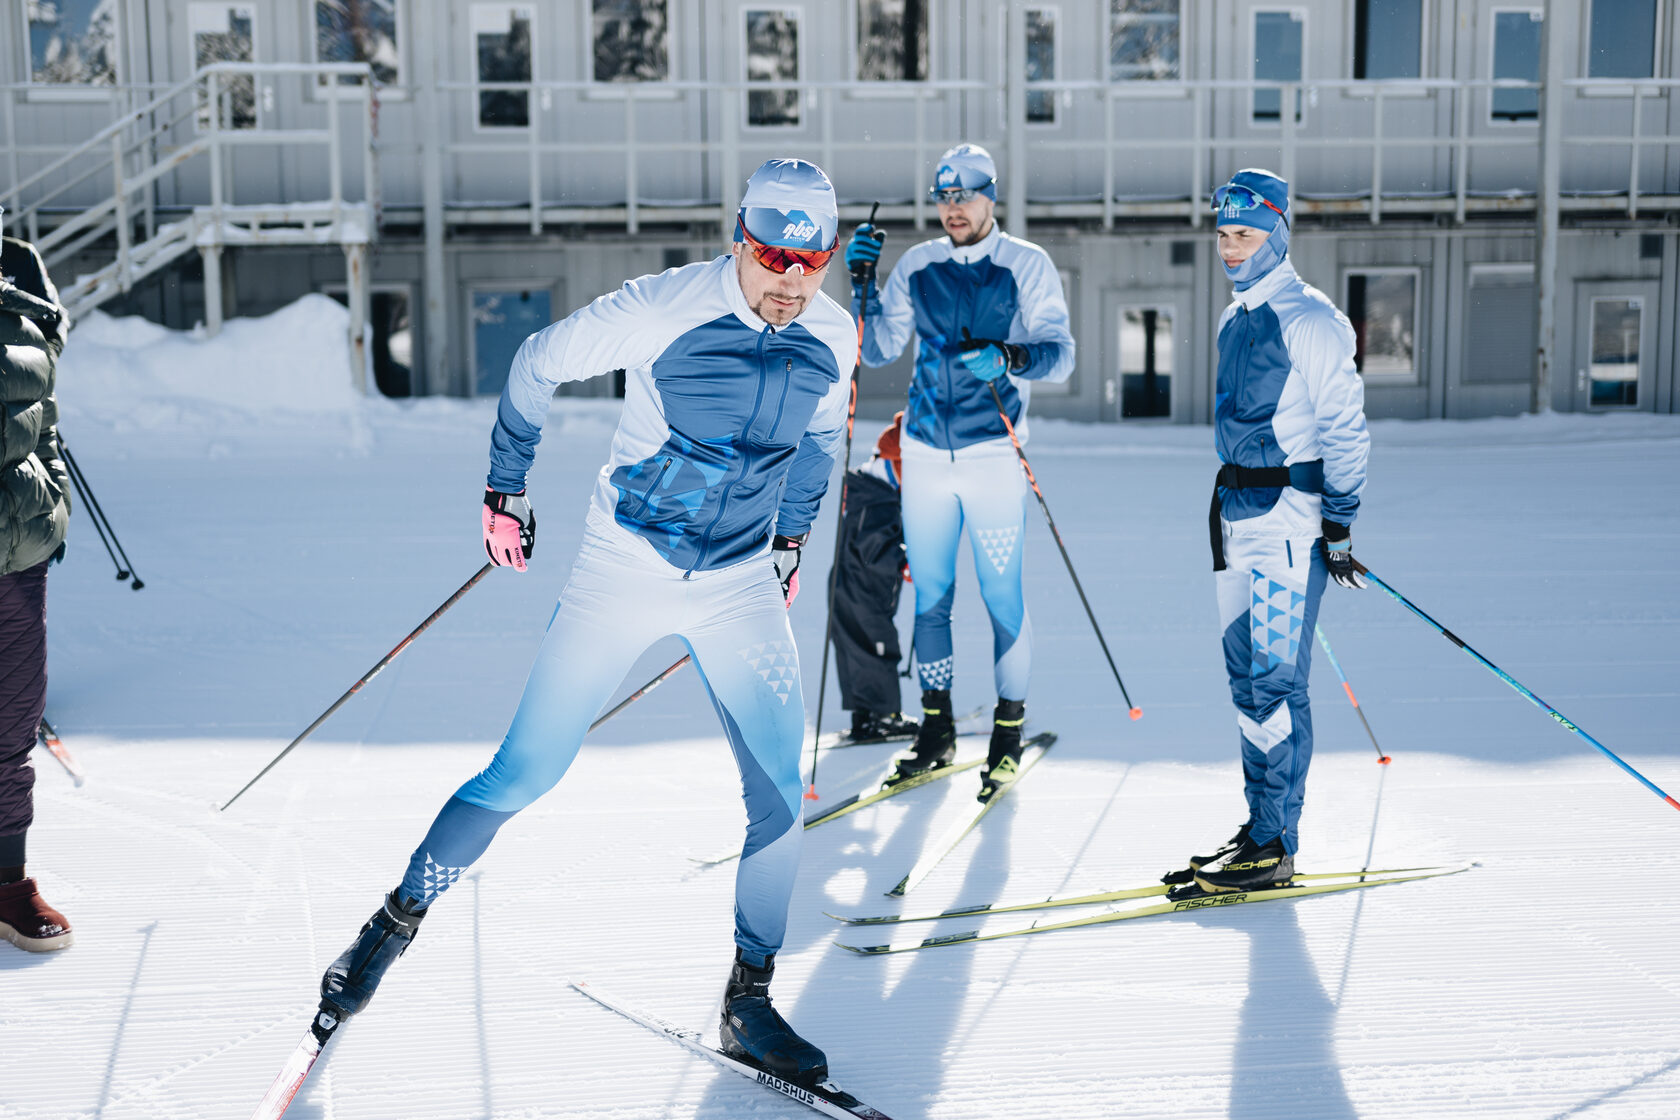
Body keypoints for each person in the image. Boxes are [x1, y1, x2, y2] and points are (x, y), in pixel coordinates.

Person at [315, 159, 856, 1086]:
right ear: (741, 239)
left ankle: (749, 1000)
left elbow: (820, 442)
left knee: (781, 803)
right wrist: (505, 486)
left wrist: (793, 541)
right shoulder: (661, 308)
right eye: (773, 256)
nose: (791, 282)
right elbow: (535, 365)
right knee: (525, 772)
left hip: (737, 585)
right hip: (625, 568)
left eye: (813, 261)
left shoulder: (834, 336)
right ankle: (392, 923)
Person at [843, 143, 1074, 799]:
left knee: (1003, 600)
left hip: (992, 456)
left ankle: (1007, 731)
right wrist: (862, 284)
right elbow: (880, 345)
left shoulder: (1025, 264)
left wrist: (1010, 356)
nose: (953, 209)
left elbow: (1061, 356)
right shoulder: (918, 264)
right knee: (933, 598)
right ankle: (936, 728)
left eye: (965, 195)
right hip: (923, 456)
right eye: (943, 197)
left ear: (990, 197)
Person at [1190, 169, 1370, 894]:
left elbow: (1346, 433)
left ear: (1277, 233)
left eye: (1245, 235)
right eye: (1224, 235)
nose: (1231, 249)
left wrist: (1341, 524)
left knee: (1271, 685)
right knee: (1251, 685)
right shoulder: (1239, 317)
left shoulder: (1311, 321)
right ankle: (1265, 826)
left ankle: (1274, 842)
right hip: (1237, 524)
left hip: (1289, 529)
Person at [0, 214, 74, 952]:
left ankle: (6, 884)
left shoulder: (19, 285)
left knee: (11, 725)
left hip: (17, 549)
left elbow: (38, 412)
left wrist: (51, 497)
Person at [830, 414, 917, 744]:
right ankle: (883, 716)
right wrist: (905, 561)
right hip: (862, 591)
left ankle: (865, 715)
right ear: (895, 462)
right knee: (877, 646)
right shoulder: (876, 499)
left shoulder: (872, 493)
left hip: (854, 588)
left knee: (859, 647)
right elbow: (874, 552)